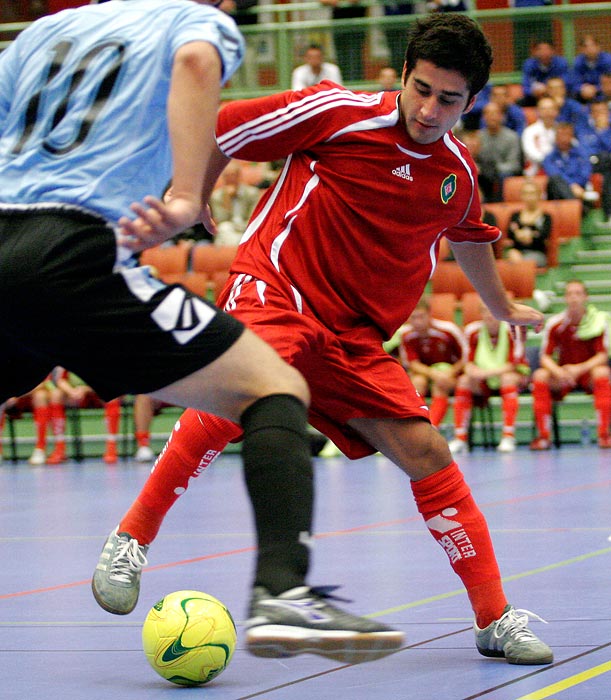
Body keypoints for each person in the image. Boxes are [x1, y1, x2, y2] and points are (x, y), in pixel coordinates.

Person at [92, 13, 554, 666]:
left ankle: (491, 617)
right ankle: (132, 537)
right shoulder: (338, 113)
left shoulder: (454, 173)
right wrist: (188, 193)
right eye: (419, 88)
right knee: (256, 390)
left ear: (470, 101)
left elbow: (468, 234)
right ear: (402, 76)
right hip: (275, 286)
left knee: (425, 450)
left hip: (352, 334)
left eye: (447, 99)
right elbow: (224, 124)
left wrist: (500, 304)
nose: (427, 109)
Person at [0, 0, 401, 664]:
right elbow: (193, 59)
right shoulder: (191, 20)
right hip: (71, 246)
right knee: (272, 385)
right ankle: (282, 589)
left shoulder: (41, 33)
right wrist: (187, 195)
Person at [530, 280, 611, 450]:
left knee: (602, 372)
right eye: (570, 294)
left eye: (578, 293)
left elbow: (602, 356)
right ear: (565, 298)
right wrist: (558, 372)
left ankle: (604, 435)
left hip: (587, 373)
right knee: (540, 376)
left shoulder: (598, 321)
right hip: (563, 375)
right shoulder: (555, 324)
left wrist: (579, 368)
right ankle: (544, 436)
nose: (574, 298)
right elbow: (545, 357)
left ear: (585, 297)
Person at [449, 301, 530, 454]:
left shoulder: (513, 329)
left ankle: (508, 436)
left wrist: (485, 373)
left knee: (507, 378)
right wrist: (476, 373)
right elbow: (468, 364)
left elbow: (514, 364)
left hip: (511, 376)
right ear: (481, 314)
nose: (489, 315)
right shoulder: (472, 331)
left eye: (492, 311)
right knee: (464, 381)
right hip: (483, 378)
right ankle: (460, 438)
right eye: (485, 311)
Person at [399, 297, 467, 428]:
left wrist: (450, 372)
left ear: (429, 314)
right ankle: (420, 426)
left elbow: (465, 357)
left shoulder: (448, 330)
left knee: (440, 384)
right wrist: (433, 373)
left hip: (450, 375)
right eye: (413, 318)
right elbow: (413, 363)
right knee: (416, 383)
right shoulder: (405, 334)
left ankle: (432, 427)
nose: (417, 322)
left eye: (421, 317)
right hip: (427, 374)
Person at [46, 368, 122, 465]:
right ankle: (59, 448)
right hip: (75, 394)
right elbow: (61, 380)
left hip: (98, 391)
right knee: (56, 396)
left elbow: (110, 380)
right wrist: (72, 391)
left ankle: (111, 447)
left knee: (113, 396)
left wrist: (86, 389)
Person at [478, 101, 523, 201]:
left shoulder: (512, 137)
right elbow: (473, 159)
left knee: (504, 176)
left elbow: (514, 164)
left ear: (502, 116)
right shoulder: (478, 137)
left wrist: (494, 168)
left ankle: (498, 203)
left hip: (502, 174)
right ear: (484, 117)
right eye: (488, 114)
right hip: (483, 175)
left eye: (495, 113)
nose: (491, 117)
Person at [209, 159, 262, 245]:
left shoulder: (251, 193)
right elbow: (221, 220)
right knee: (224, 228)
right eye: (227, 176)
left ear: (239, 176)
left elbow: (253, 219)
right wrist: (227, 200)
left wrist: (239, 228)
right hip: (226, 232)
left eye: (232, 175)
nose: (230, 179)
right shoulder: (217, 196)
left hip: (246, 230)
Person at [542, 122, 594, 207]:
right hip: (557, 196)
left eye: (566, 134)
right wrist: (571, 185)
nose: (563, 138)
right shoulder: (549, 158)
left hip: (580, 190)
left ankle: (576, 207)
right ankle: (575, 206)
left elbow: (585, 175)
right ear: (555, 137)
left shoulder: (582, 154)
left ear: (572, 136)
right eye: (561, 135)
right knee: (555, 180)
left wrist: (575, 186)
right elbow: (555, 175)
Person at [577, 99, 611, 226]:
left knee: (608, 173)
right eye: (596, 112)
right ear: (591, 114)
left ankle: (608, 213)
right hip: (590, 165)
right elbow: (585, 152)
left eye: (603, 111)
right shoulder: (584, 130)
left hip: (606, 166)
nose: (600, 115)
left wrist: (603, 132)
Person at [505, 178, 552, 268]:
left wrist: (522, 235)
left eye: (532, 193)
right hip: (516, 252)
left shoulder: (546, 216)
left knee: (522, 262)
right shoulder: (515, 216)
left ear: (539, 195)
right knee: (511, 254)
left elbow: (543, 236)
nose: (529, 197)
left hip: (537, 254)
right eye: (526, 193)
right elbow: (510, 234)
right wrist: (530, 235)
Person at [319, 0, 366, 82]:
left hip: (356, 26)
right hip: (338, 25)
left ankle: (355, 90)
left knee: (354, 62)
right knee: (342, 62)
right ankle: (343, 89)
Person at [520, 40, 571, 107]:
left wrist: (548, 89)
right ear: (535, 52)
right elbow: (525, 88)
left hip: (557, 95)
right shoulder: (529, 64)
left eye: (547, 49)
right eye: (540, 49)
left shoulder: (561, 63)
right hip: (537, 97)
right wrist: (533, 92)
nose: (544, 52)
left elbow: (566, 83)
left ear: (553, 51)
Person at [521, 95, 558, 176]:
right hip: (537, 169)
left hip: (560, 167)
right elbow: (531, 153)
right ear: (538, 111)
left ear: (556, 111)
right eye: (544, 109)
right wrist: (550, 161)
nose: (547, 112)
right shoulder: (530, 131)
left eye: (550, 108)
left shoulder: (561, 130)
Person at [571, 34, 611, 105]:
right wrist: (581, 88)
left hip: (603, 93)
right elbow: (574, 82)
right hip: (584, 95)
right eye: (586, 47)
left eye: (592, 46)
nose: (589, 49)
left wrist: (596, 89)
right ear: (581, 49)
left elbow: (608, 83)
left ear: (598, 47)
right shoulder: (578, 62)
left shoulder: (608, 60)